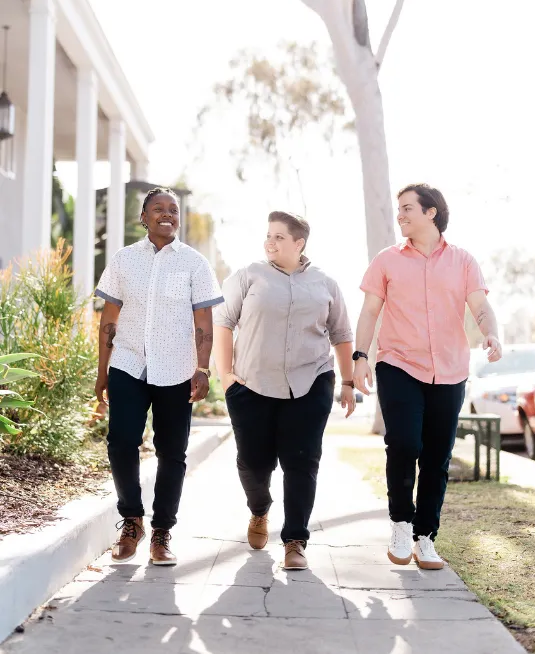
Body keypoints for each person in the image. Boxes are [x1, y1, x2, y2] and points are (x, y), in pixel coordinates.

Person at [354, 184, 502, 570]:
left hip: (450, 369)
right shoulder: (387, 260)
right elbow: (370, 311)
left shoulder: (463, 261)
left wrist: (491, 332)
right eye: (398, 209)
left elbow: (480, 305)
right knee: (403, 443)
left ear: (431, 212)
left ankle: (424, 537)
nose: (399, 215)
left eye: (406, 208)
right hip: (398, 363)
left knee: (437, 457)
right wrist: (360, 356)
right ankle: (401, 523)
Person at [213, 211, 355, 571]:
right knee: (253, 462)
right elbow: (223, 323)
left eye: (278, 236)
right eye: (268, 236)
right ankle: (259, 510)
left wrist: (348, 382)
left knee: (302, 461)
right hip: (251, 384)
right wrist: (226, 375)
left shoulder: (325, 283)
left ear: (299, 243)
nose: (270, 242)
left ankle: (295, 541)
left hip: (311, 382)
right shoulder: (248, 276)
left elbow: (341, 335)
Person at [94, 187, 223, 565]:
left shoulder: (194, 263)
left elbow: (204, 320)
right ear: (144, 217)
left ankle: (162, 532)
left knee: (172, 452)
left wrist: (202, 367)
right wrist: (102, 371)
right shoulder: (123, 260)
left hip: (176, 369)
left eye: (173, 209)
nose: (167, 215)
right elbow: (109, 317)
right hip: (129, 363)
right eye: (158, 209)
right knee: (121, 442)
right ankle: (131, 520)